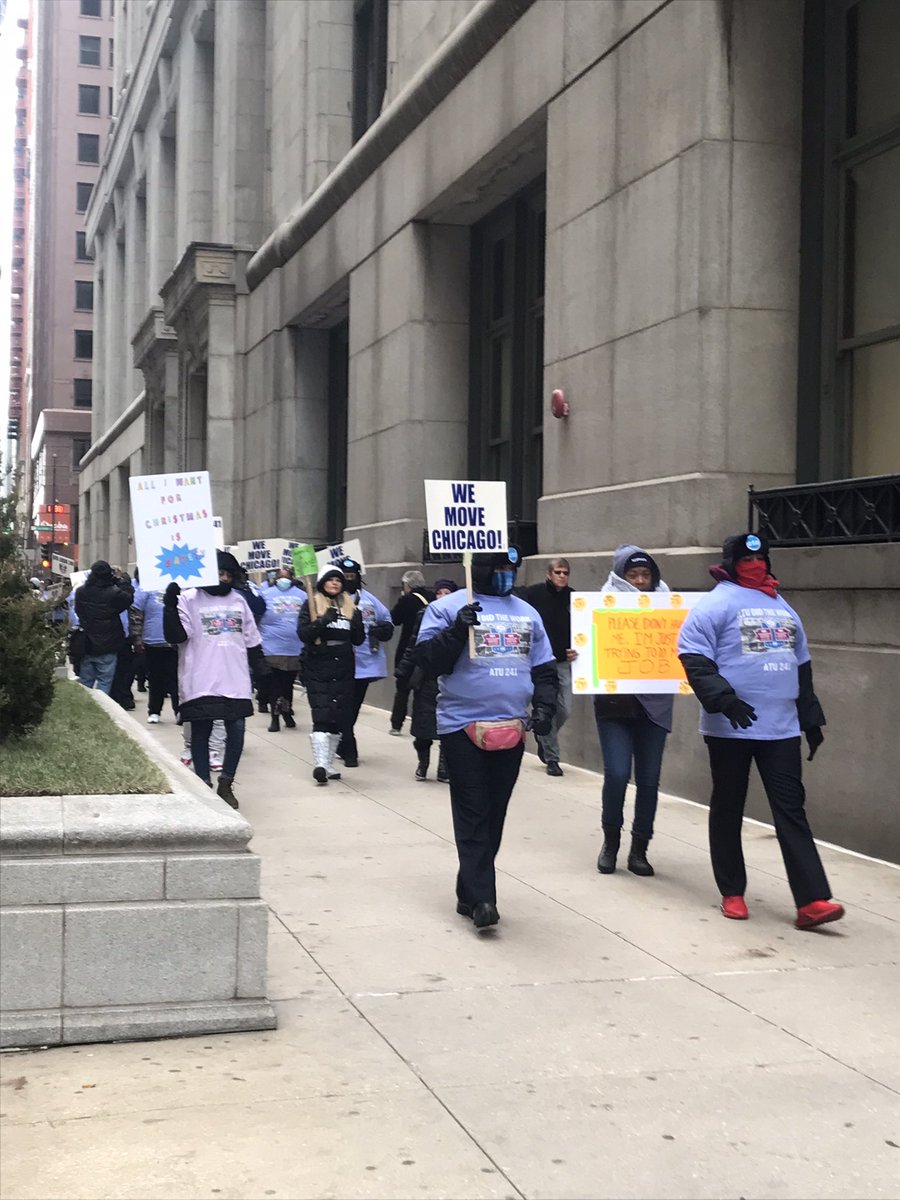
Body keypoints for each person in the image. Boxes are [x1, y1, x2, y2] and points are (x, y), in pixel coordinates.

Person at [677, 532, 844, 930]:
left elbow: (801, 664)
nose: (756, 566)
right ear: (731, 562)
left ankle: (812, 900)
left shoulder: (782, 605)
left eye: (762, 559)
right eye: (748, 560)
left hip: (781, 728)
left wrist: (811, 717)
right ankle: (731, 891)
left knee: (791, 810)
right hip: (731, 727)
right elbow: (694, 657)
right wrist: (724, 700)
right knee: (729, 805)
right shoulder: (714, 604)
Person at [415, 548, 557, 930]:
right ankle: (484, 900)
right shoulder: (447, 609)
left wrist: (544, 709)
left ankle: (468, 890)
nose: (507, 574)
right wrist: (456, 631)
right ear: (480, 568)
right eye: (500, 568)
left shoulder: (527, 613)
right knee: (473, 812)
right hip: (462, 726)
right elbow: (428, 662)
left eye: (513, 568)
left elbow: (544, 669)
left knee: (495, 813)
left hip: (511, 727)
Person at [162, 550, 269, 809]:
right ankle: (203, 785)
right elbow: (177, 637)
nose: (222, 578)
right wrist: (169, 607)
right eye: (218, 573)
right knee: (201, 732)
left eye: (227, 574)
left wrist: (262, 669)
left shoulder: (239, 601)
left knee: (237, 732)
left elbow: (251, 639)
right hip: (200, 678)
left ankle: (226, 782)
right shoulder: (188, 598)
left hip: (235, 679)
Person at [594, 546, 674, 877]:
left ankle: (640, 847)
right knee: (615, 774)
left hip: (655, 705)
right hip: (615, 704)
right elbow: (587, 646)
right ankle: (610, 841)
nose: (641, 581)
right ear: (620, 576)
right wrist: (577, 652)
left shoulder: (670, 605)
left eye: (646, 575)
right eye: (633, 575)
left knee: (650, 779)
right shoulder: (600, 605)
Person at [298, 565, 365, 785]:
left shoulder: (350, 606)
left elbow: (357, 640)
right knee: (322, 715)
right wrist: (322, 621)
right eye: (330, 580)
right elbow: (304, 634)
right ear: (323, 583)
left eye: (338, 580)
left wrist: (358, 623)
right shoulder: (311, 603)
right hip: (319, 667)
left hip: (343, 668)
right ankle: (320, 764)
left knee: (338, 717)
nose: (335, 583)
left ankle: (329, 764)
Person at [394, 579, 457, 781]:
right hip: (426, 677)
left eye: (447, 593)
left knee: (449, 729)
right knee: (422, 729)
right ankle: (423, 761)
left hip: (450, 678)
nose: (442, 597)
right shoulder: (425, 615)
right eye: (439, 593)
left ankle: (444, 767)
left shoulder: (460, 617)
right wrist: (404, 669)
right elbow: (414, 644)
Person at [337, 557, 393, 767]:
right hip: (341, 663)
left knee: (353, 708)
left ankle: (344, 743)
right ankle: (349, 749)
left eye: (353, 576)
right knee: (345, 708)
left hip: (365, 665)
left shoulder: (369, 600)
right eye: (346, 576)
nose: (349, 579)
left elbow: (387, 620)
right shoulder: (333, 600)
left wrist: (382, 630)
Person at [523, 558, 577, 777]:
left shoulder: (574, 597)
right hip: (540, 663)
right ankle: (552, 758)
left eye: (565, 572)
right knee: (548, 708)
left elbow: (584, 626)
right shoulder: (534, 595)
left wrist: (577, 647)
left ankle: (543, 734)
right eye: (558, 572)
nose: (562, 576)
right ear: (549, 574)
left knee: (564, 709)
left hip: (563, 661)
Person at [74, 560, 134, 694]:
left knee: (85, 682)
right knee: (105, 681)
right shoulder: (114, 593)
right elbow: (129, 598)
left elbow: (79, 612)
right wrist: (120, 580)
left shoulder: (80, 592)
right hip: (109, 642)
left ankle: (85, 709)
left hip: (87, 642)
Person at [389, 570, 434, 736]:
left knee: (402, 689)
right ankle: (418, 725)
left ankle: (396, 724)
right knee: (421, 692)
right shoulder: (432, 598)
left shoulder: (407, 600)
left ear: (407, 585)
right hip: (428, 649)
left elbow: (394, 619)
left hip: (408, 648)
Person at [259, 568, 305, 732]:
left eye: (286, 577)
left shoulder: (302, 595)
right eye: (280, 577)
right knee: (275, 685)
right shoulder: (265, 594)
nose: (283, 579)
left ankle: (286, 711)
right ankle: (275, 717)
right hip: (272, 648)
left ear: (292, 578)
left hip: (295, 649)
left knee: (287, 685)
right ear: (275, 579)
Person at [132, 582, 179, 723]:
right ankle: (154, 711)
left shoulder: (184, 586)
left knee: (177, 679)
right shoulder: (146, 587)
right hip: (153, 641)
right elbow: (136, 614)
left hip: (177, 642)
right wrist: (137, 638)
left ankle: (180, 711)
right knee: (155, 678)